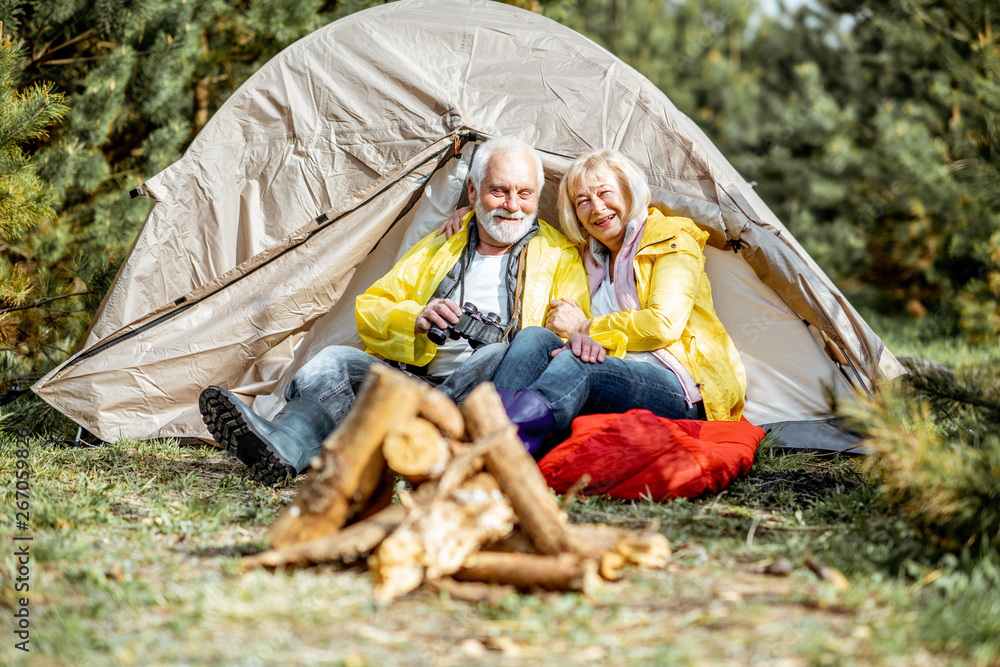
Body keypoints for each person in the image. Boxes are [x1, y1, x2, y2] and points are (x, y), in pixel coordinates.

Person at [199, 137, 590, 484]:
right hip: (414, 384)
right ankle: (285, 446)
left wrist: (568, 331)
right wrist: (415, 319)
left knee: (495, 350)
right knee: (331, 361)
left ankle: (374, 449)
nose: (512, 206)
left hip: (481, 399)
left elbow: (566, 343)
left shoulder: (560, 256)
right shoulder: (442, 244)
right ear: (472, 191)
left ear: (538, 196)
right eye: (499, 191)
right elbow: (371, 307)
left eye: (525, 194)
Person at [490, 148, 747, 457]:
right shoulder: (588, 255)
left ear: (628, 190)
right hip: (613, 372)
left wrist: (586, 329)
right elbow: (564, 322)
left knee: (578, 365)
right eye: (583, 201)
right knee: (534, 337)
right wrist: (467, 220)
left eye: (605, 192)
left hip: (683, 388)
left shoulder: (671, 240)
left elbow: (662, 325)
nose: (597, 208)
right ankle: (486, 427)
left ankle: (503, 452)